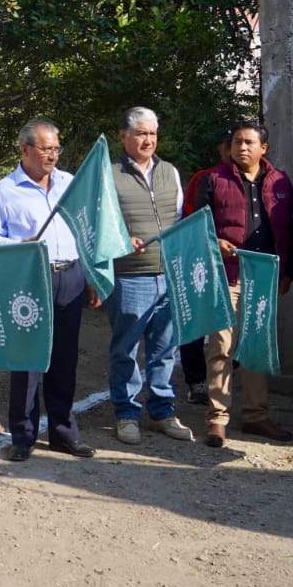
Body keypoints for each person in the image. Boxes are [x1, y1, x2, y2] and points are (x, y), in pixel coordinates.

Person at [0, 119, 97, 462]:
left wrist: (91, 276)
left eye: (56, 149)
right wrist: (20, 244)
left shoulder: (70, 184)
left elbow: (85, 231)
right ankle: (23, 435)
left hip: (70, 276)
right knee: (28, 360)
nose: (52, 156)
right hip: (31, 280)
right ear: (24, 149)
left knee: (65, 359)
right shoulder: (4, 191)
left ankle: (63, 432)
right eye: (46, 149)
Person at [188, 121, 293, 446]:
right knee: (221, 348)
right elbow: (199, 225)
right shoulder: (214, 179)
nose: (242, 148)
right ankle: (217, 419)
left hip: (264, 279)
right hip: (227, 275)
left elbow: (292, 232)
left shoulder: (280, 182)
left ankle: (255, 416)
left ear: (263, 148)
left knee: (255, 349)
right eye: (237, 142)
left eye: (249, 142)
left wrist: (289, 271)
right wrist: (215, 243)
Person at [105, 107, 193, 445]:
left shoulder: (170, 172)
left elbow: (180, 216)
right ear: (123, 136)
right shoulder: (109, 174)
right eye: (141, 133)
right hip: (130, 275)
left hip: (168, 274)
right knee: (125, 349)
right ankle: (126, 414)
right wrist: (121, 242)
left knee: (165, 348)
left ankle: (161, 412)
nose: (148, 140)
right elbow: (101, 225)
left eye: (153, 134)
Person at [179, 129, 233, 407]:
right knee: (195, 324)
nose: (233, 150)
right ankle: (196, 380)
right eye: (228, 145)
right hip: (201, 262)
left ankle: (227, 381)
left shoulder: (256, 180)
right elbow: (190, 219)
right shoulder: (205, 178)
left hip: (235, 268)